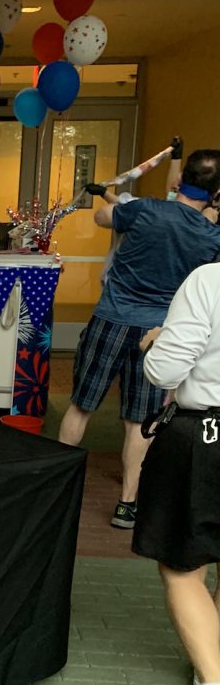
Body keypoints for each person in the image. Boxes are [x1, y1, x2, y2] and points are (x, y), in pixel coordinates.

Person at [58, 149, 220, 530]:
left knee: (81, 406)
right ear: (214, 194)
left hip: (111, 319)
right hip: (157, 333)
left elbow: (103, 217)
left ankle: (55, 487)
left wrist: (115, 207)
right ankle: (127, 504)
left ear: (180, 181)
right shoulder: (211, 237)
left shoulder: (146, 209)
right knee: (138, 422)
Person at [132, 259, 220, 685]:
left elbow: (164, 372)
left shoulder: (209, 280)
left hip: (205, 437)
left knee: (182, 566)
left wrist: (157, 341)